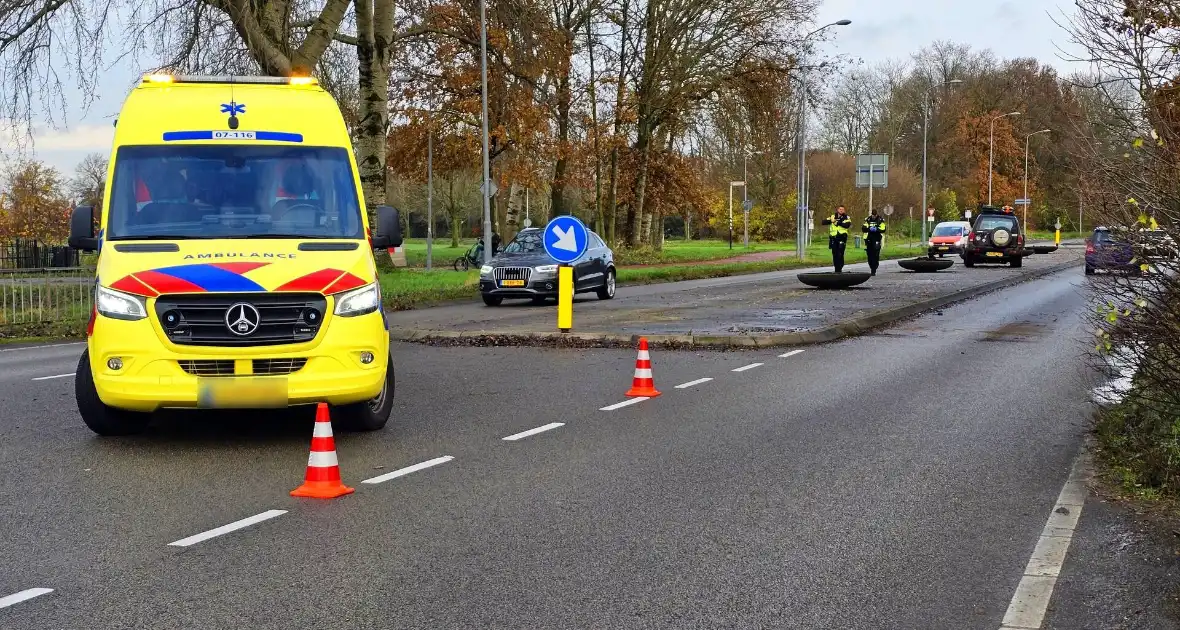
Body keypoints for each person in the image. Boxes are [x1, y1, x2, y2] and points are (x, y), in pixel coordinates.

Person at [822, 205, 853, 272]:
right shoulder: (832, 216)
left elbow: (847, 225)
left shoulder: (846, 217)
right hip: (833, 237)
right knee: (834, 254)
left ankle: (840, 267)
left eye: (842, 209)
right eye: (840, 209)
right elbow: (823, 222)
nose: (841, 210)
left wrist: (837, 222)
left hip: (842, 237)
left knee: (840, 253)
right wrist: (830, 220)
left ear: (844, 211)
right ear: (837, 210)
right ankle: (837, 268)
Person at [862, 208, 887, 275]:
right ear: (871, 214)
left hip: (877, 239)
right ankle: (871, 267)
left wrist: (876, 229)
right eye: (873, 215)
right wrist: (869, 229)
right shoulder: (868, 219)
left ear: (876, 215)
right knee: (869, 255)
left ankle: (874, 268)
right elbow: (864, 228)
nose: (874, 216)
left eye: (875, 215)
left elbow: (883, 229)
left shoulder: (880, 220)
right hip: (869, 239)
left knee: (875, 254)